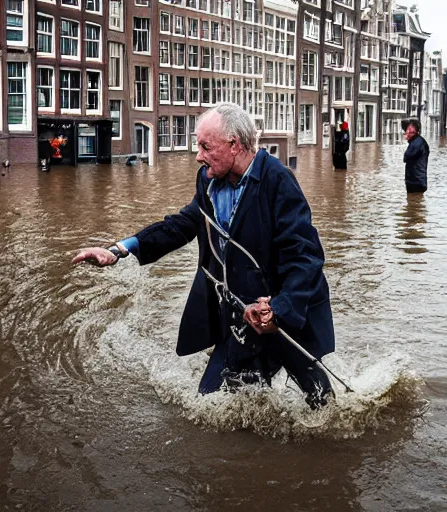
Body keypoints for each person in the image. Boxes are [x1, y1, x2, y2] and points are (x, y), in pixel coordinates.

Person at [72, 103, 335, 409]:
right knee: (210, 405)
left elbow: (305, 256)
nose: (198, 155)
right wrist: (119, 250)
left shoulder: (278, 181)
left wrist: (279, 310)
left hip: (284, 314)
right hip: (239, 317)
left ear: (234, 145)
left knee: (323, 405)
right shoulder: (208, 180)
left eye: (205, 146)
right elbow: (182, 224)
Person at [403, 119, 429, 194]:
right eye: (407, 130)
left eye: (409, 130)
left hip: (416, 182)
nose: (407, 132)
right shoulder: (416, 141)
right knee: (414, 203)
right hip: (415, 181)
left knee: (415, 202)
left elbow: (406, 157)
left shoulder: (417, 142)